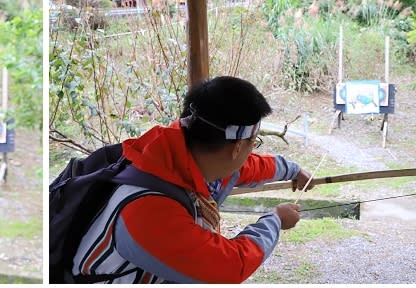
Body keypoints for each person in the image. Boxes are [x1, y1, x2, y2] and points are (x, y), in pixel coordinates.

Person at [70, 76, 314, 283]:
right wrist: (276, 220)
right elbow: (227, 268)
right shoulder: (148, 209)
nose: (252, 151)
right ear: (237, 147)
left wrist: (293, 170)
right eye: (254, 143)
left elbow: (247, 167)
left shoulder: (174, 157)